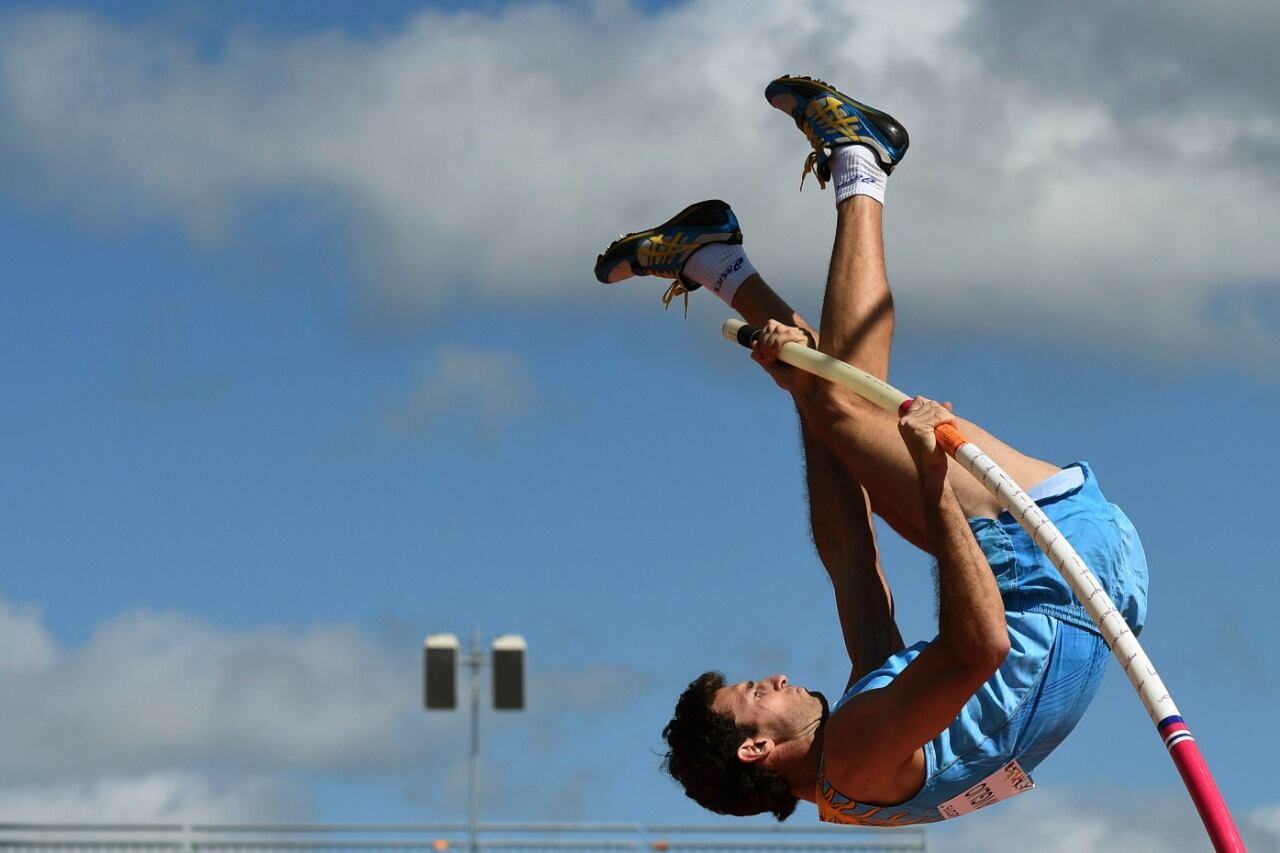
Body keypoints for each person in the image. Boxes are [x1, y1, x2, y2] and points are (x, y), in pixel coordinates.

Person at [593, 76, 1149, 826]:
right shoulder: (856, 756)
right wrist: (929, 476)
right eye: (756, 693)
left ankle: (718, 263)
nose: (775, 677)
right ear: (756, 748)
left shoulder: (852, 767)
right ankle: (860, 161)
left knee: (836, 406)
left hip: (1084, 584)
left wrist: (803, 397)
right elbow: (980, 646)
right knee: (850, 405)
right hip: (1057, 564)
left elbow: (849, 556)